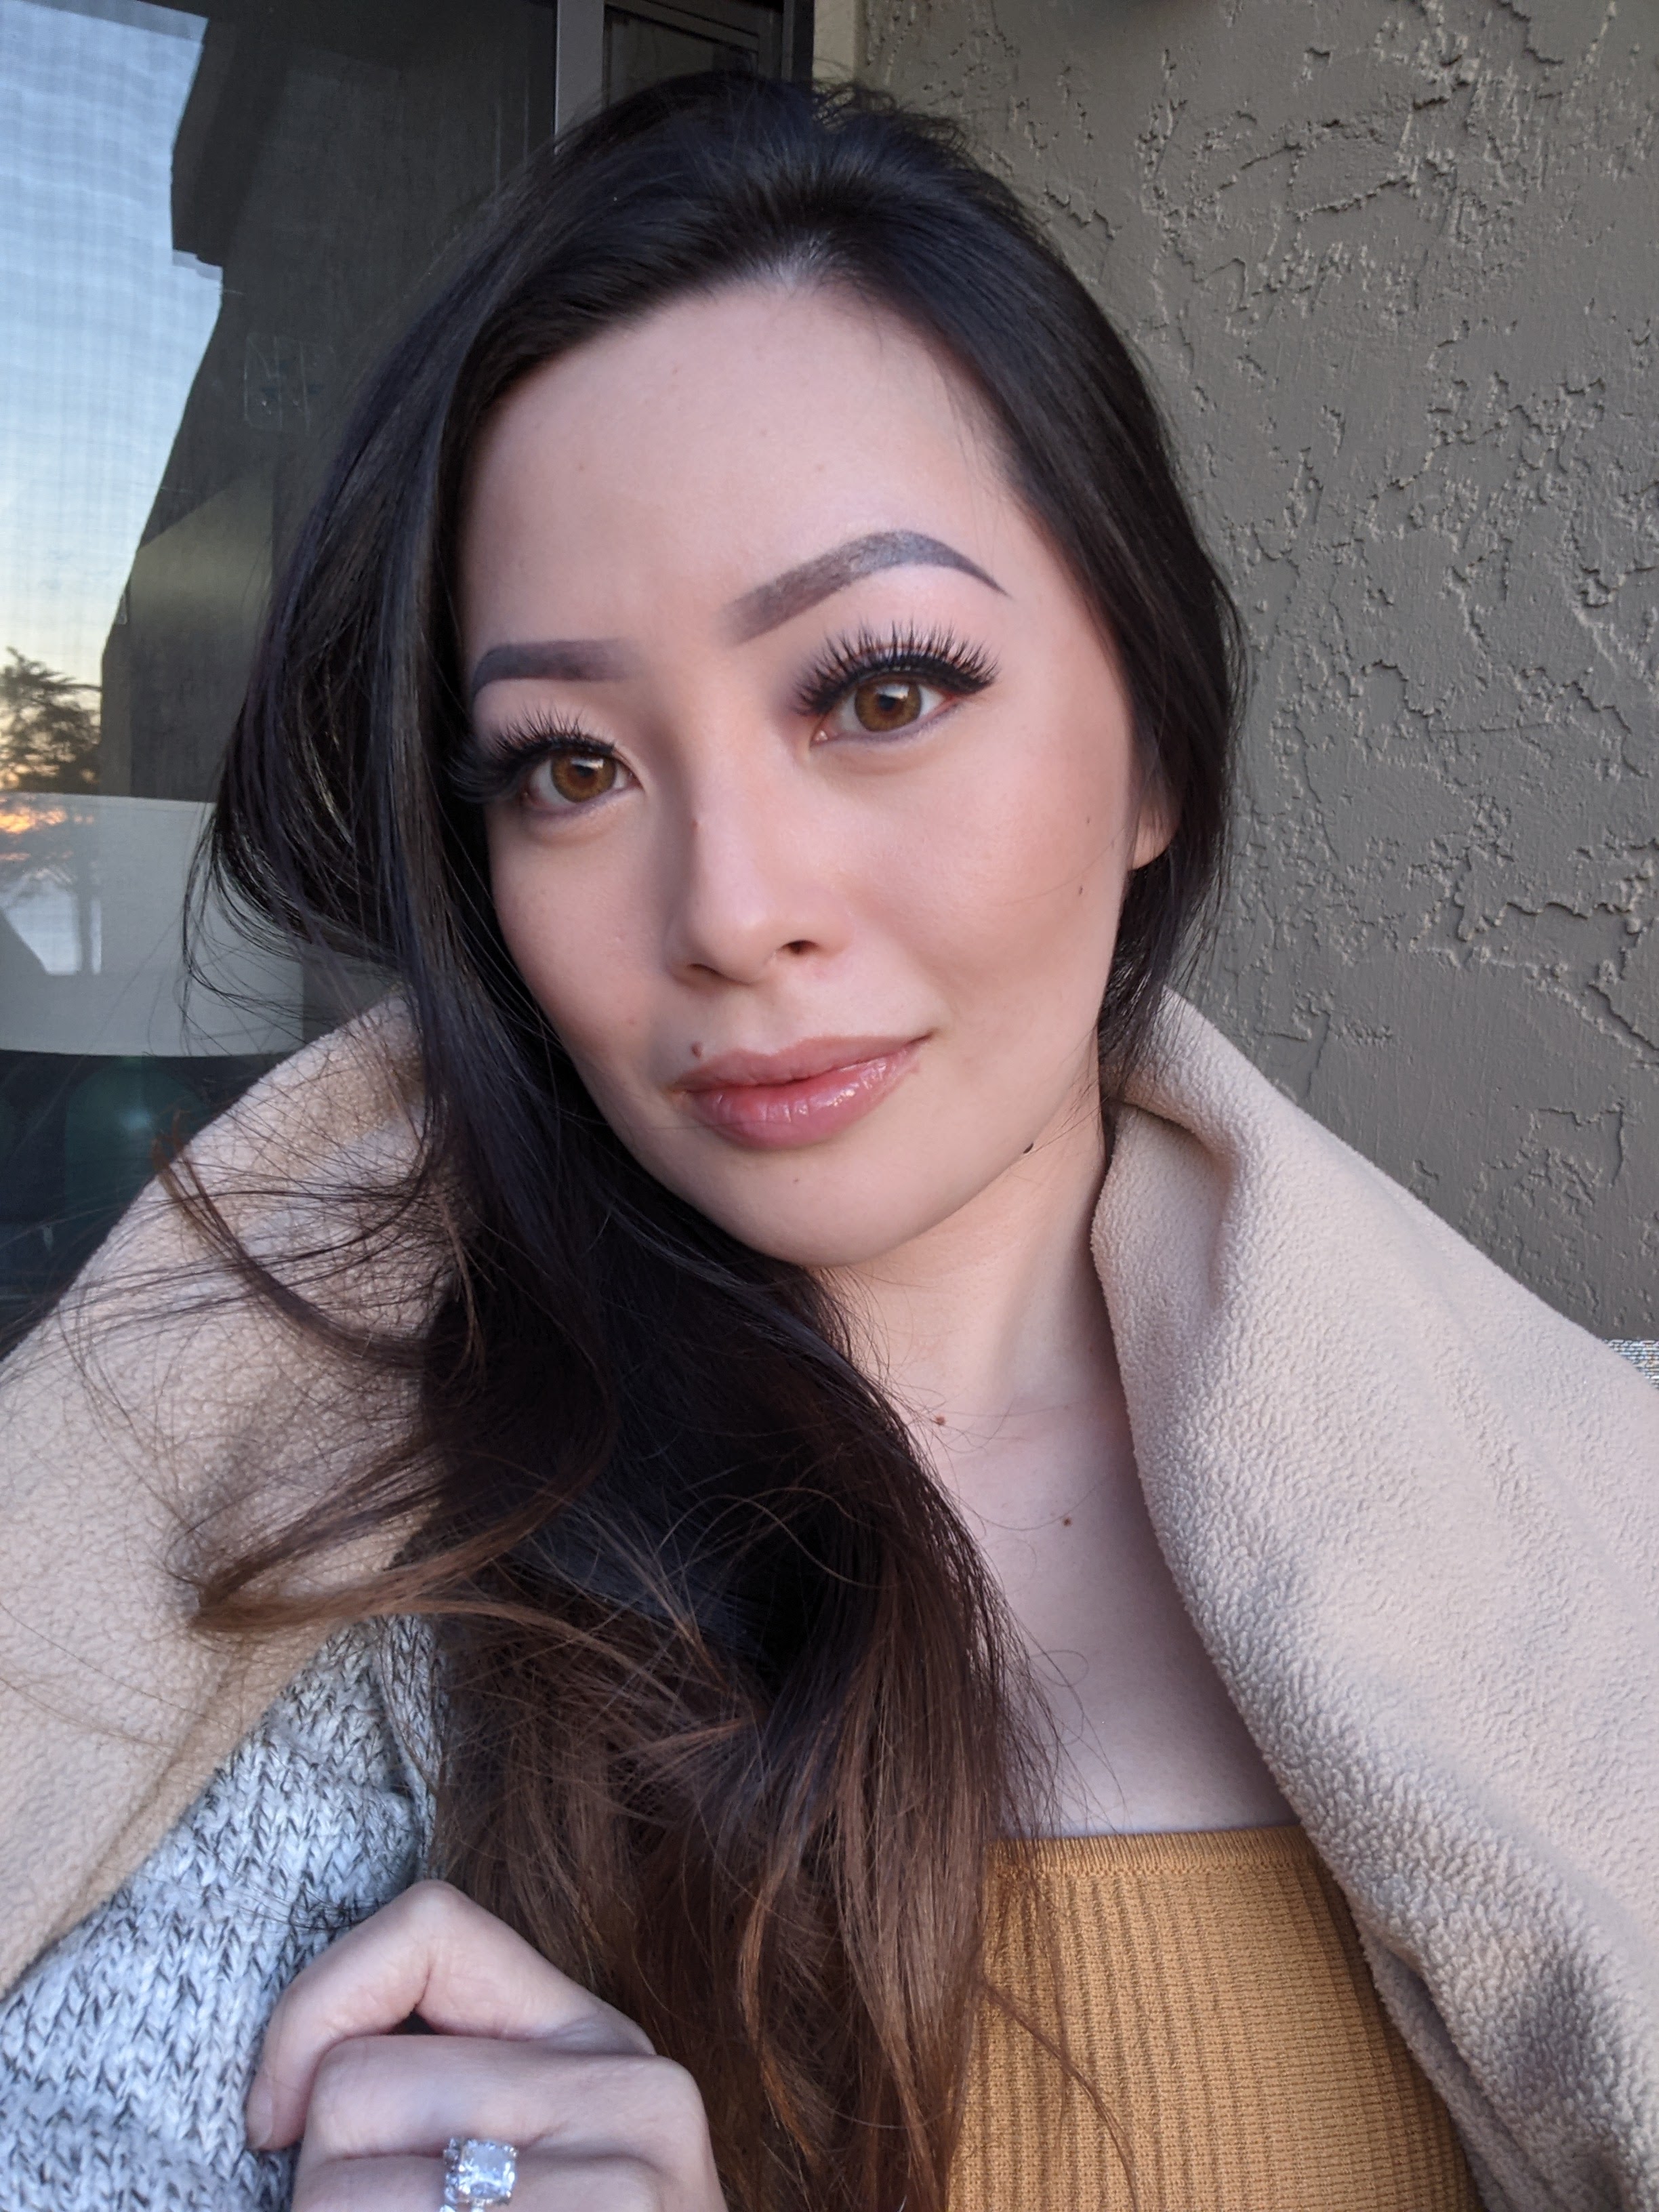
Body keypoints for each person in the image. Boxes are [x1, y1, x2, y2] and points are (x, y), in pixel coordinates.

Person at [1, 72, 1656, 2212]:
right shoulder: (308, 1591)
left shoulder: (1582, 1541)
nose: (727, 908)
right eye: (569, 765)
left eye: (878, 692)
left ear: (1156, 748)